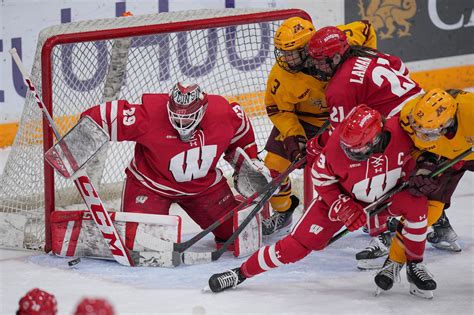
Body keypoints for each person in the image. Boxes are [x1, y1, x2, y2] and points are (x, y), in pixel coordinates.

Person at [208, 105, 436, 298]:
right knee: (294, 248)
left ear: (376, 138)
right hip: (345, 200)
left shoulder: (403, 131)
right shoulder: (337, 148)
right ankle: (241, 273)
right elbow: (320, 177)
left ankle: (415, 264)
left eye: (357, 149)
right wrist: (342, 206)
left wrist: (422, 171)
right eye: (347, 147)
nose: (348, 152)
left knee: (417, 205)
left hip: (388, 198)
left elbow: (428, 151)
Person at [81, 82, 260, 251]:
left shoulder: (222, 114)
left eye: (188, 117)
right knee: (145, 246)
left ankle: (246, 207)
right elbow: (102, 117)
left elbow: (241, 134)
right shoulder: (151, 114)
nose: (181, 123)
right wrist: (76, 141)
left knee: (237, 235)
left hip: (202, 187)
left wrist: (251, 162)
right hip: (152, 186)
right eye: (177, 116)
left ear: (202, 111)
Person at [306, 26, 425, 268]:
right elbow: (400, 68)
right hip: (423, 116)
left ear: (336, 56)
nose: (315, 66)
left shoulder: (338, 88)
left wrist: (315, 145)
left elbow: (341, 139)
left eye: (320, 61)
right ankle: (438, 225)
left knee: (363, 175)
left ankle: (382, 234)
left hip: (404, 130)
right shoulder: (369, 54)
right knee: (416, 180)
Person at [262, 17, 377, 236]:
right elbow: (277, 109)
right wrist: (293, 136)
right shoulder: (282, 75)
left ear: (308, 47)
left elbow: (366, 28)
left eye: (291, 52)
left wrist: (361, 68)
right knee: (273, 167)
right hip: (305, 122)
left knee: (365, 165)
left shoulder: (336, 41)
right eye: (283, 53)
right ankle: (283, 210)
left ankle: (374, 212)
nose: (285, 59)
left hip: (348, 118)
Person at [386, 88, 474, 264]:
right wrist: (425, 164)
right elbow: (414, 147)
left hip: (464, 153)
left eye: (429, 132)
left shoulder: (470, 111)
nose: (422, 135)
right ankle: (394, 262)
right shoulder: (409, 117)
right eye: (420, 129)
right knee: (426, 208)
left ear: (447, 123)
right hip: (446, 157)